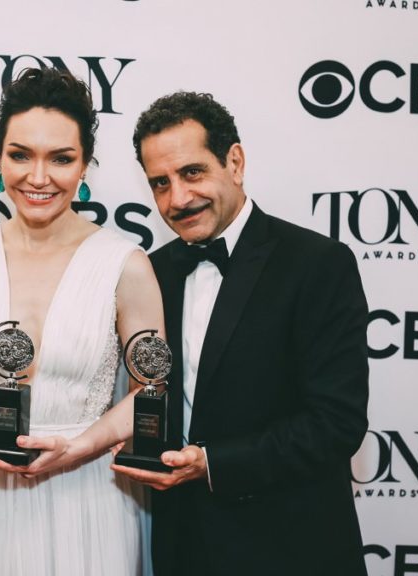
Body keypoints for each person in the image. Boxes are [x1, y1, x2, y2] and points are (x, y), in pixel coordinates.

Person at [112, 91, 370, 576]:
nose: (178, 199)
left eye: (192, 173)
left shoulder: (318, 264)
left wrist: (210, 462)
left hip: (290, 547)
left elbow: (337, 423)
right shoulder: (150, 273)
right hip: (182, 546)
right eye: (160, 183)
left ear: (234, 161)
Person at [0, 67, 164, 576]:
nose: (39, 178)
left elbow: (152, 391)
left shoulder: (125, 265)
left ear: (85, 166)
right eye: (21, 155)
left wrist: (79, 448)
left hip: (88, 496)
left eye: (61, 158)